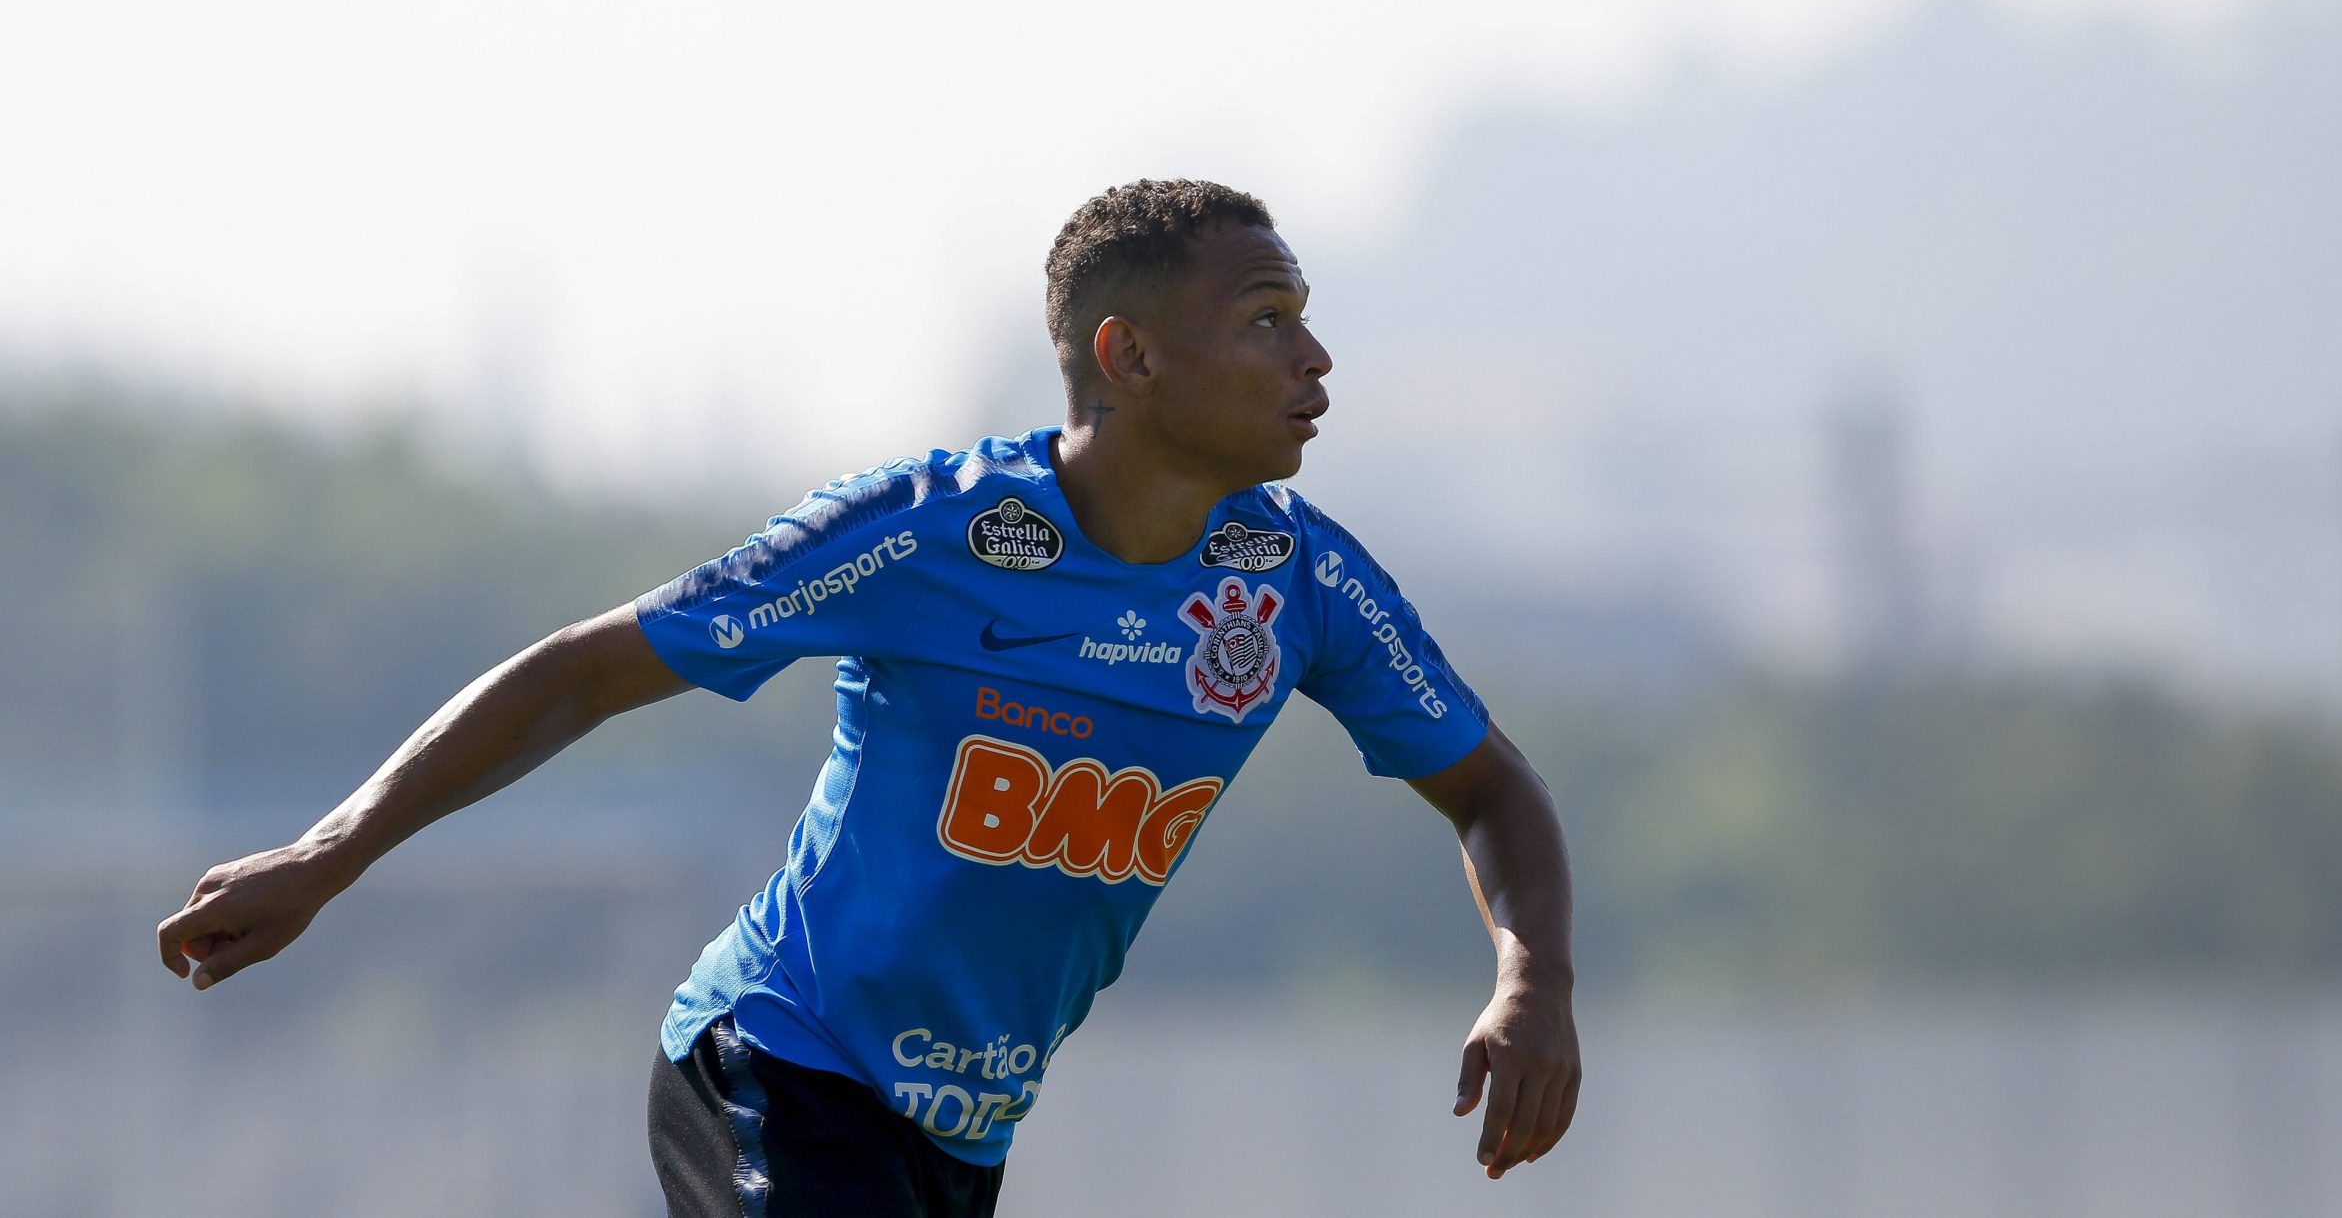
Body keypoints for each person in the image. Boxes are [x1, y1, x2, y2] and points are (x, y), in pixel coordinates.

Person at [158, 178, 1580, 1216]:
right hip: (778, 1064)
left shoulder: (1298, 583)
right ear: (1128, 356)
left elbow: (1491, 787)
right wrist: (328, 855)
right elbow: (586, 671)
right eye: (1268, 320)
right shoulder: (928, 529)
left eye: (1308, 321)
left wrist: (1533, 978)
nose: (1315, 360)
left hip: (961, 1142)